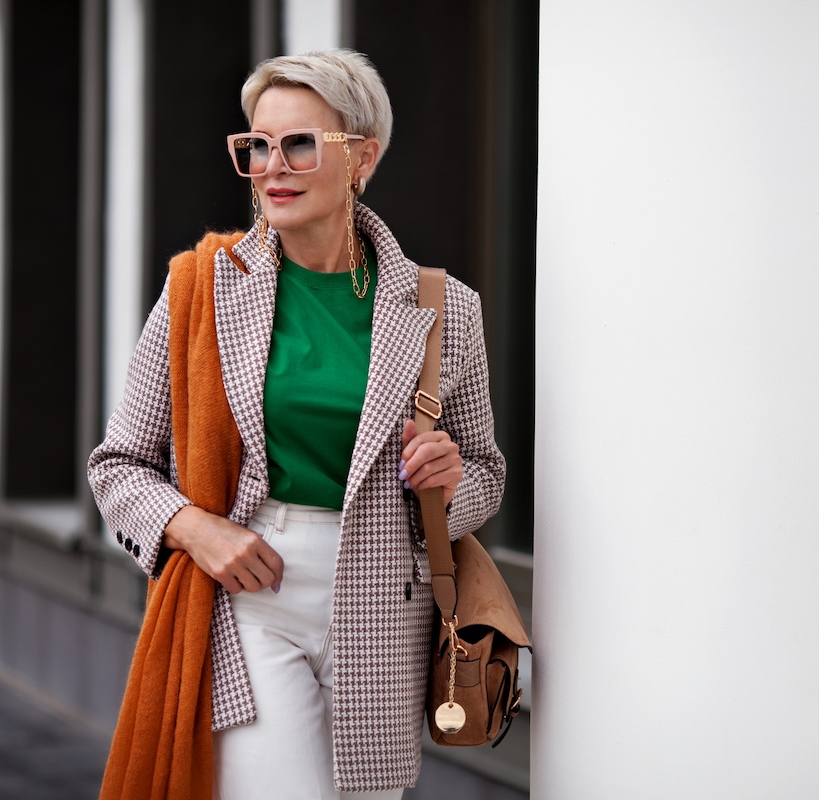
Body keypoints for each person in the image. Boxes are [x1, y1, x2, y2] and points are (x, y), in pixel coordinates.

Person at [87, 48, 506, 799]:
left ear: (361, 157)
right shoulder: (202, 289)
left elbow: (485, 473)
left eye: (299, 143)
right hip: (255, 591)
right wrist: (195, 528)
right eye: (256, 146)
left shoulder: (445, 306)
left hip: (386, 606)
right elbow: (117, 464)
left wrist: (443, 483)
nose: (271, 166)